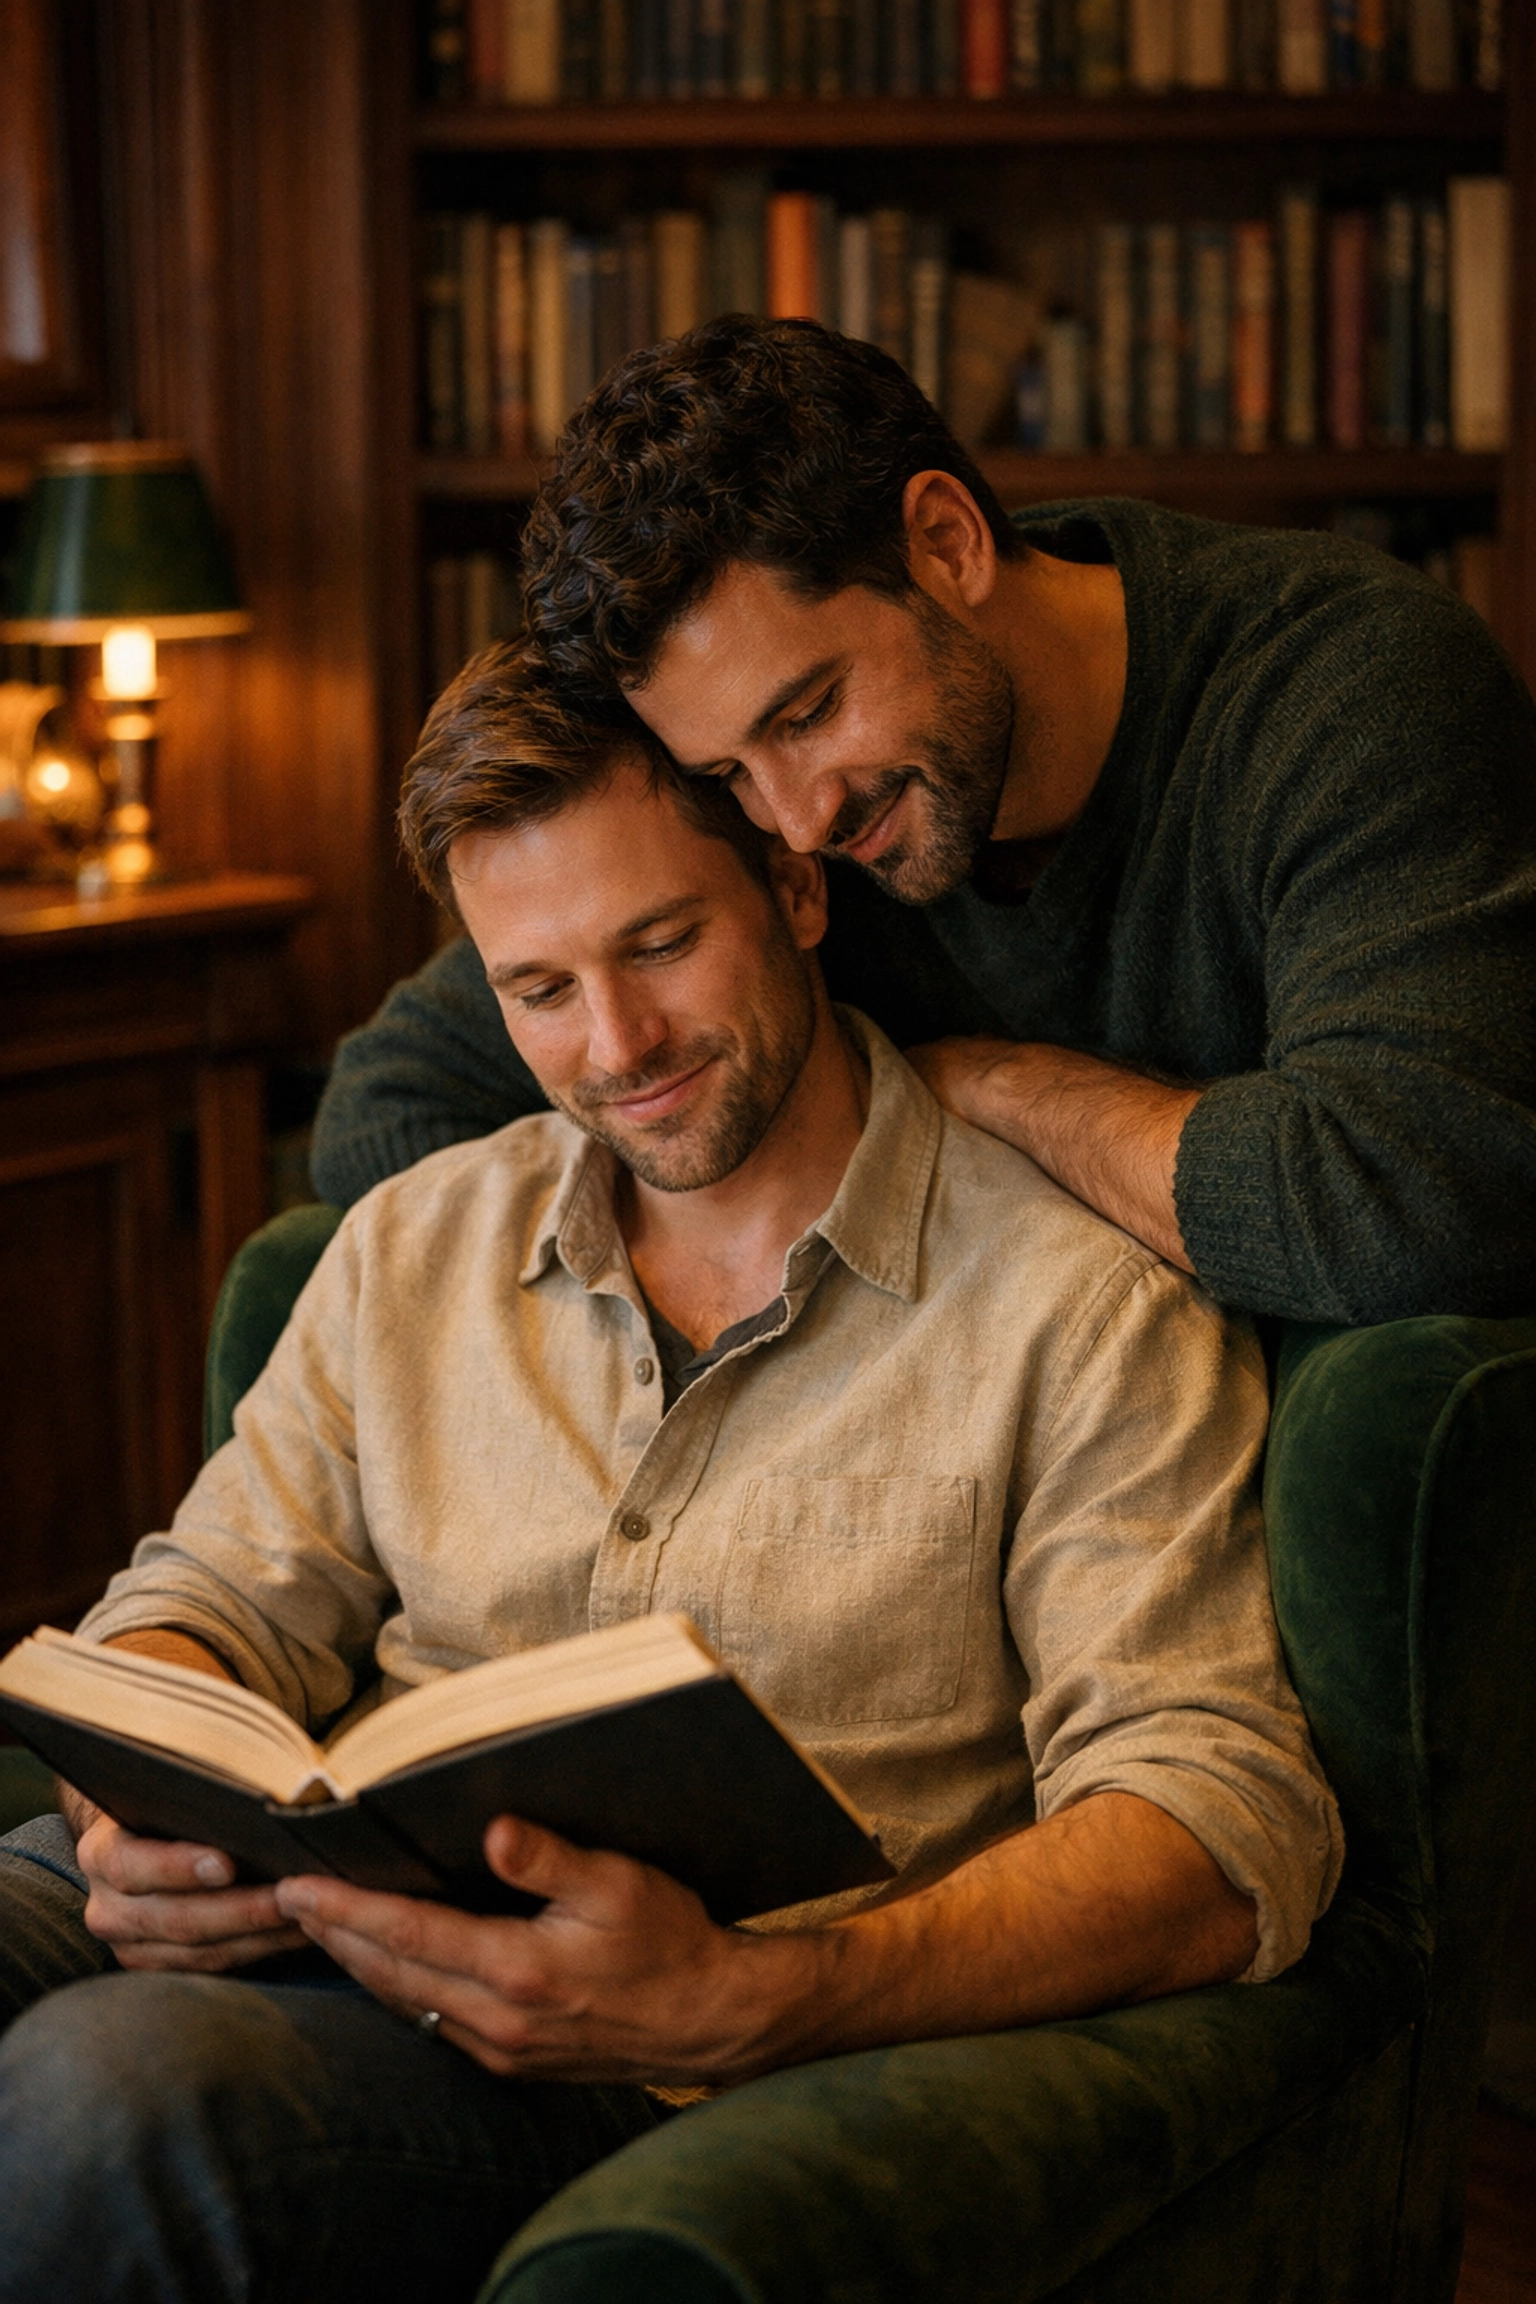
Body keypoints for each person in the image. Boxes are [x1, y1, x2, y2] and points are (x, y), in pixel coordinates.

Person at [0, 663, 1340, 2302]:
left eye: (659, 944)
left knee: (100, 2092)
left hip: (632, 2043)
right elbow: (203, 1596)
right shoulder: (415, 1239)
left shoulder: (1075, 1301)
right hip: (314, 1906)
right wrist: (135, 1801)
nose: (616, 1045)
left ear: (791, 883)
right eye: (540, 986)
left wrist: (772, 1991)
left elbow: (1215, 1814)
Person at [311, 317, 1536, 1327]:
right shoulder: (767, 832)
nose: (796, 824)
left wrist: (996, 1090)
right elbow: (390, 1108)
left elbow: (1419, 1209)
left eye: (809, 711)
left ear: (946, 543)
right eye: (728, 768)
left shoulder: (1350, 688)